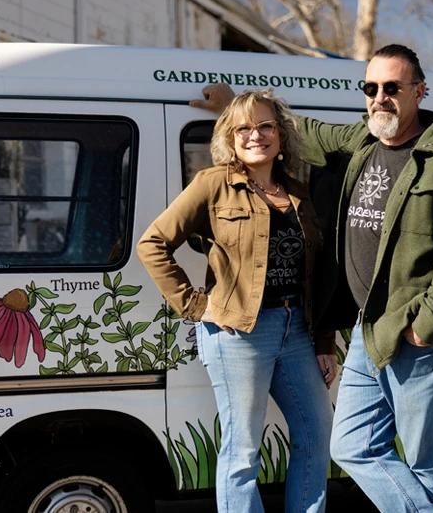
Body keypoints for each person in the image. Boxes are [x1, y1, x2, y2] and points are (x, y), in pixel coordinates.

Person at [192, 44, 433, 513]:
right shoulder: (363, 143)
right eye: (370, 88)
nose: (380, 98)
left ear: (419, 91)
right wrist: (236, 107)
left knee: (426, 463)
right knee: (349, 445)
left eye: (392, 88)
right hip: (369, 332)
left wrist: (427, 325)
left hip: (416, 335)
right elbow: (300, 132)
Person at [137, 89, 336, 513]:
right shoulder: (212, 184)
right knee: (243, 449)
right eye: (243, 128)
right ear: (229, 137)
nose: (255, 135)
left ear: (280, 134)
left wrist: (323, 342)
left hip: (297, 330)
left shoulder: (299, 192)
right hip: (239, 333)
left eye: (265, 126)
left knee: (317, 435)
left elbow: (316, 272)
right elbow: (152, 244)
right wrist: (196, 305)